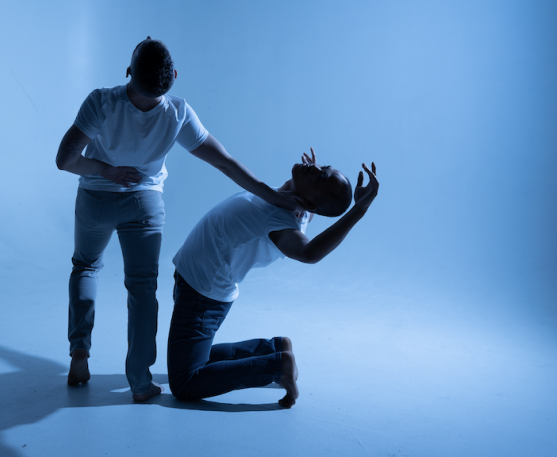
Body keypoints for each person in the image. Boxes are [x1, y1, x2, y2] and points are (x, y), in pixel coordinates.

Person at [55, 37, 300, 402]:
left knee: (86, 268)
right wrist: (274, 195)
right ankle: (139, 382)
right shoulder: (178, 114)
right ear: (173, 77)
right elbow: (226, 163)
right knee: (142, 288)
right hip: (144, 205)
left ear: (128, 72)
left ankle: (79, 355)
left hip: (95, 198)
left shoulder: (102, 101)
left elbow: (66, 159)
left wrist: (107, 170)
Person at [167, 149, 379, 408]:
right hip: (197, 285)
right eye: (323, 167)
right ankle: (274, 348)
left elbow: (308, 252)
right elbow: (311, 205)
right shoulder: (290, 201)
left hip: (202, 295)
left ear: (309, 203)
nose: (316, 168)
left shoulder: (281, 217)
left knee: (184, 382)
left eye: (320, 177)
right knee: (192, 360)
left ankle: (276, 366)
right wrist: (310, 177)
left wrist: (358, 210)